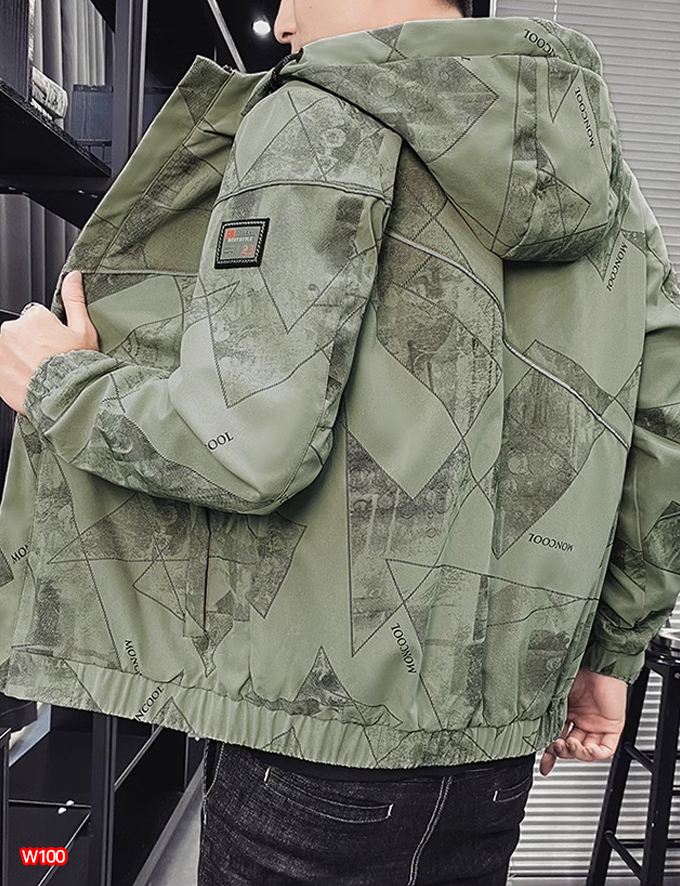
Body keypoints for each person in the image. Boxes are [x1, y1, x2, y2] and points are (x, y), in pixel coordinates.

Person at [0, 0, 678, 882]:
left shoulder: (317, 116)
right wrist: (610, 657)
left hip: (318, 739)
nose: (282, 23)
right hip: (497, 750)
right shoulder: (608, 178)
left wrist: (57, 382)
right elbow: (661, 438)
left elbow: (242, 442)